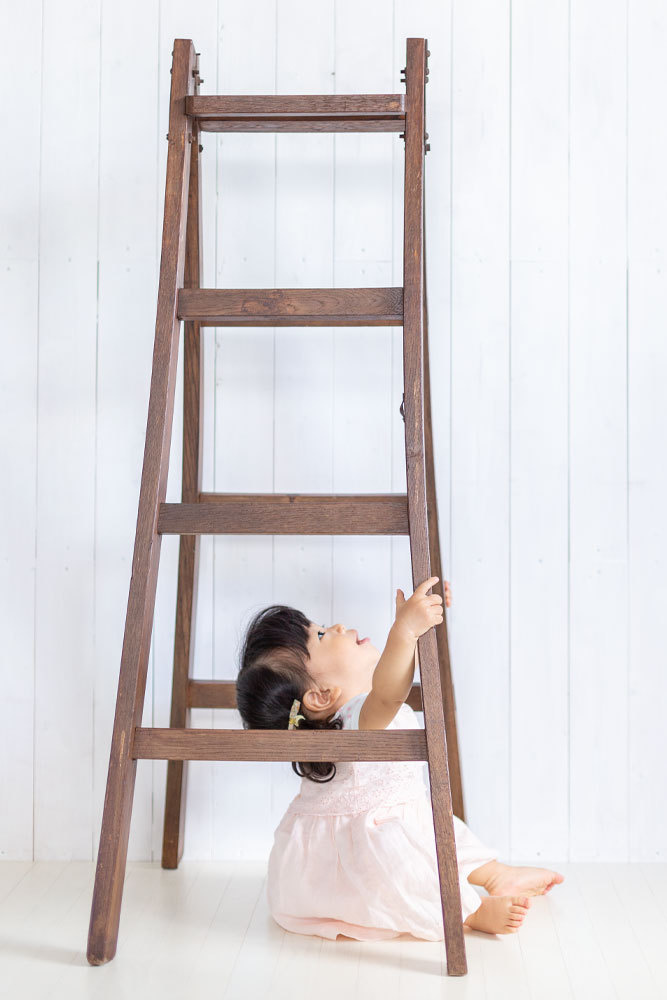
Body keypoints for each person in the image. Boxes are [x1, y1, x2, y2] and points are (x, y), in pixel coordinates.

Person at [235, 576, 564, 940]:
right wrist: (404, 630)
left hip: (397, 818)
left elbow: (393, 679)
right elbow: (389, 692)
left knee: (442, 827)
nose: (339, 626)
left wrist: (417, 625)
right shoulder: (356, 717)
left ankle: (495, 873)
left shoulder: (346, 719)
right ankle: (466, 912)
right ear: (322, 696)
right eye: (324, 636)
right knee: (403, 865)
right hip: (357, 858)